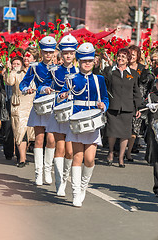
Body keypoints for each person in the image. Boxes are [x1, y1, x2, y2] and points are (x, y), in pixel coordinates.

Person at [59, 42, 109, 207]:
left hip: (93, 121)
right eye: (83, 61)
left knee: (89, 159)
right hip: (77, 121)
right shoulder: (72, 78)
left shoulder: (99, 79)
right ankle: (75, 193)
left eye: (89, 61)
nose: (87, 64)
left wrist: (104, 105)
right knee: (77, 157)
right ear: (78, 62)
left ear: (94, 61)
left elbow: (106, 98)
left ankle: (83, 187)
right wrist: (64, 95)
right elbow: (61, 95)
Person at [39, 34, 78, 196]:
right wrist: (46, 90)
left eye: (71, 52)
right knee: (60, 148)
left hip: (74, 115)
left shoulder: (80, 71)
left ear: (75, 54)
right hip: (59, 112)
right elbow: (44, 84)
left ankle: (65, 177)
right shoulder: (55, 71)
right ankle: (59, 183)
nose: (68, 55)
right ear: (61, 54)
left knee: (70, 152)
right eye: (65, 53)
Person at [19, 36, 56, 185]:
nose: (48, 54)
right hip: (40, 105)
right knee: (39, 139)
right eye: (45, 52)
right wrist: (27, 89)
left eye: (51, 52)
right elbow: (24, 83)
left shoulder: (58, 68)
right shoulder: (35, 67)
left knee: (51, 139)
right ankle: (38, 172)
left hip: (53, 105)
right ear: (41, 52)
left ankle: (48, 170)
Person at [103, 48, 141, 167]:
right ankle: (110, 152)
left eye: (123, 57)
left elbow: (136, 92)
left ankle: (121, 158)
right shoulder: (109, 71)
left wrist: (138, 107)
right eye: (119, 56)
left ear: (128, 59)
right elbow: (104, 86)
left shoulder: (133, 73)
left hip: (127, 107)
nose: (120, 58)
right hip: (113, 106)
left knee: (125, 134)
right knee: (112, 132)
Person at [4, 53, 37, 167]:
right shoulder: (16, 71)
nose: (26, 58)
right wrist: (8, 70)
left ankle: (28, 154)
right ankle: (22, 159)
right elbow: (9, 82)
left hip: (33, 105)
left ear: (34, 59)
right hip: (19, 106)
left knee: (30, 134)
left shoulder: (37, 71)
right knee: (20, 132)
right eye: (25, 56)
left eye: (29, 56)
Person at [143, 76, 158, 197]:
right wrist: (148, 105)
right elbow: (142, 105)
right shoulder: (152, 95)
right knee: (157, 160)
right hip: (155, 131)